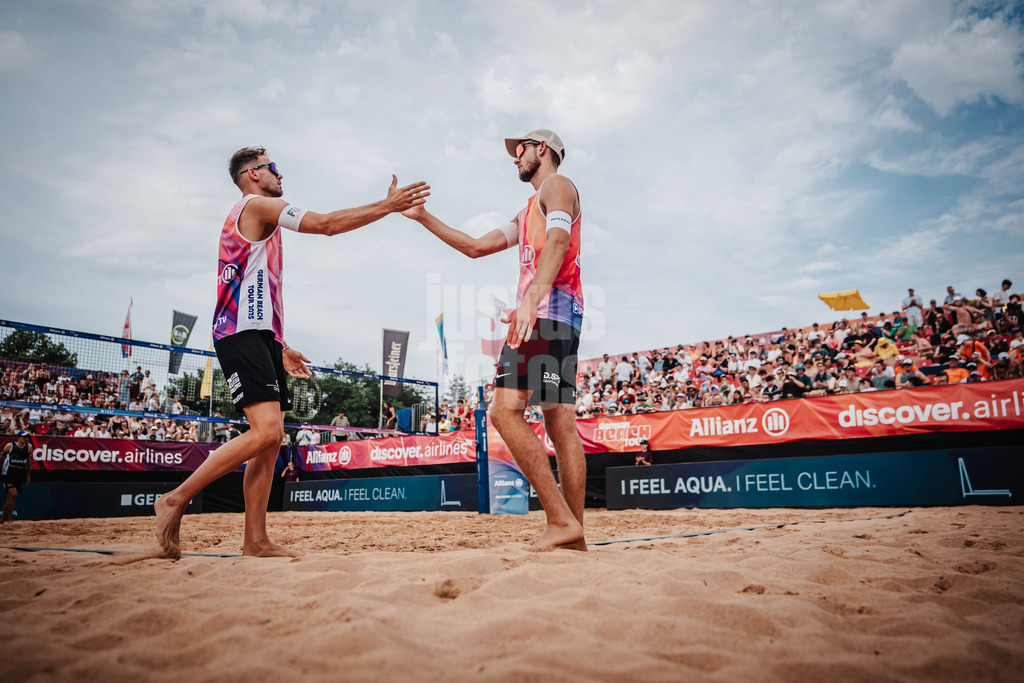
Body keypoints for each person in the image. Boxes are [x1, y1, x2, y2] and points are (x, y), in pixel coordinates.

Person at [153, 146, 429, 559]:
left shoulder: (259, 216)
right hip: (238, 334)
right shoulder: (258, 205)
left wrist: (279, 345)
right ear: (252, 175)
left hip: (259, 336)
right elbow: (327, 225)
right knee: (266, 433)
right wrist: (387, 206)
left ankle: (255, 541)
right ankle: (176, 498)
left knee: (270, 442)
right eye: (272, 168)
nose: (280, 174)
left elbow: (260, 290)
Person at [403, 128, 586, 551]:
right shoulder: (528, 211)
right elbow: (474, 247)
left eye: (519, 149)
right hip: (560, 316)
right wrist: (424, 217)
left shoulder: (557, 185)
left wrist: (529, 304)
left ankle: (560, 522)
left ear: (543, 149)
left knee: (504, 414)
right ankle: (573, 537)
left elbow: (558, 242)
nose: (514, 157)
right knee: (561, 424)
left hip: (542, 314)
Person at [1, 431, 32, 523]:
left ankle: (3, 518)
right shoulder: (10, 446)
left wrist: (28, 475)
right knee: (13, 493)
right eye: (23, 437)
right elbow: (1, 457)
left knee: (12, 497)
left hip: (19, 473)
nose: (25, 439)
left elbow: (28, 462)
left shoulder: (28, 447)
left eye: (26, 437)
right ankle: (9, 518)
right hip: (8, 473)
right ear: (18, 437)